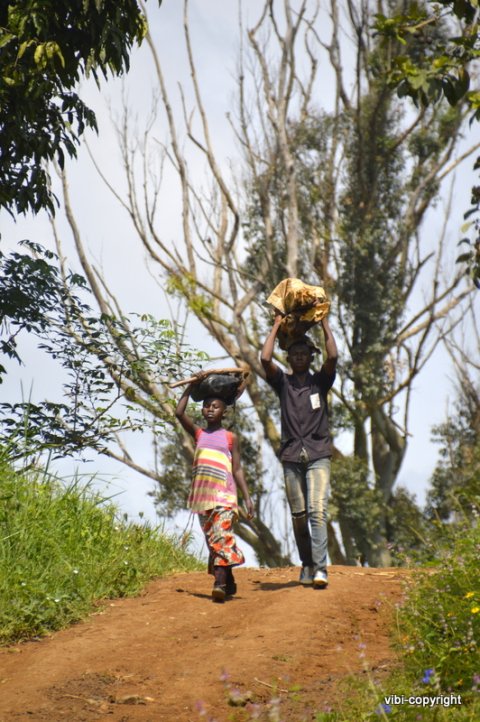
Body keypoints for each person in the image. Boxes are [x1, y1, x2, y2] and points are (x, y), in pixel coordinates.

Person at [261, 312, 338, 588]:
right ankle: (306, 564)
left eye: (304, 353)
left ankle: (320, 569)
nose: (300, 357)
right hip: (292, 456)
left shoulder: (320, 382)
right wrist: (276, 326)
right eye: (295, 354)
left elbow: (333, 356)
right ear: (289, 358)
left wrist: (324, 323)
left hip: (318, 454)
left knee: (317, 510)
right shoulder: (283, 383)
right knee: (299, 516)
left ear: (311, 357)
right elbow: (265, 359)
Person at [175, 386, 254, 602]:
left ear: (224, 411)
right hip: (202, 498)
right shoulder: (199, 434)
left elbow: (237, 468)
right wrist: (190, 387)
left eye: (215, 406)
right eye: (206, 406)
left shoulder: (230, 438)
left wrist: (247, 497)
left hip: (224, 496)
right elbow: (179, 413)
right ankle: (229, 581)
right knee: (213, 541)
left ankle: (219, 584)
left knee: (221, 536)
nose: (210, 409)